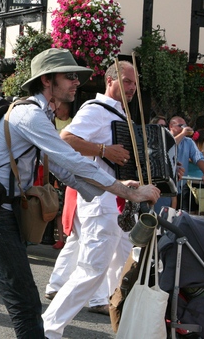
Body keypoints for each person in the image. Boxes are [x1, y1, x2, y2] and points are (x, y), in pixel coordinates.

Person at [0, 48, 161, 339]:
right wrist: (123, 191)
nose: (77, 82)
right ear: (47, 80)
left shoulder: (39, 114)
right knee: (25, 303)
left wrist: (115, 188)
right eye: (70, 77)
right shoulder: (30, 114)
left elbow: (62, 171)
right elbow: (70, 159)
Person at [42, 61, 137, 337]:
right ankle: (48, 327)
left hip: (121, 200)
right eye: (128, 81)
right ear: (111, 80)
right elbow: (66, 139)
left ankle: (127, 329)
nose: (133, 88)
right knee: (92, 269)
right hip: (102, 201)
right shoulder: (97, 110)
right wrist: (103, 150)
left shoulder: (121, 114)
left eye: (135, 82)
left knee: (126, 268)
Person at [170, 115, 204, 210]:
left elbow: (198, 158)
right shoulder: (165, 137)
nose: (184, 128)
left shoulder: (188, 142)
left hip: (180, 187)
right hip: (164, 187)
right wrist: (183, 133)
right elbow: (169, 145)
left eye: (185, 125)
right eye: (180, 125)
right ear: (171, 126)